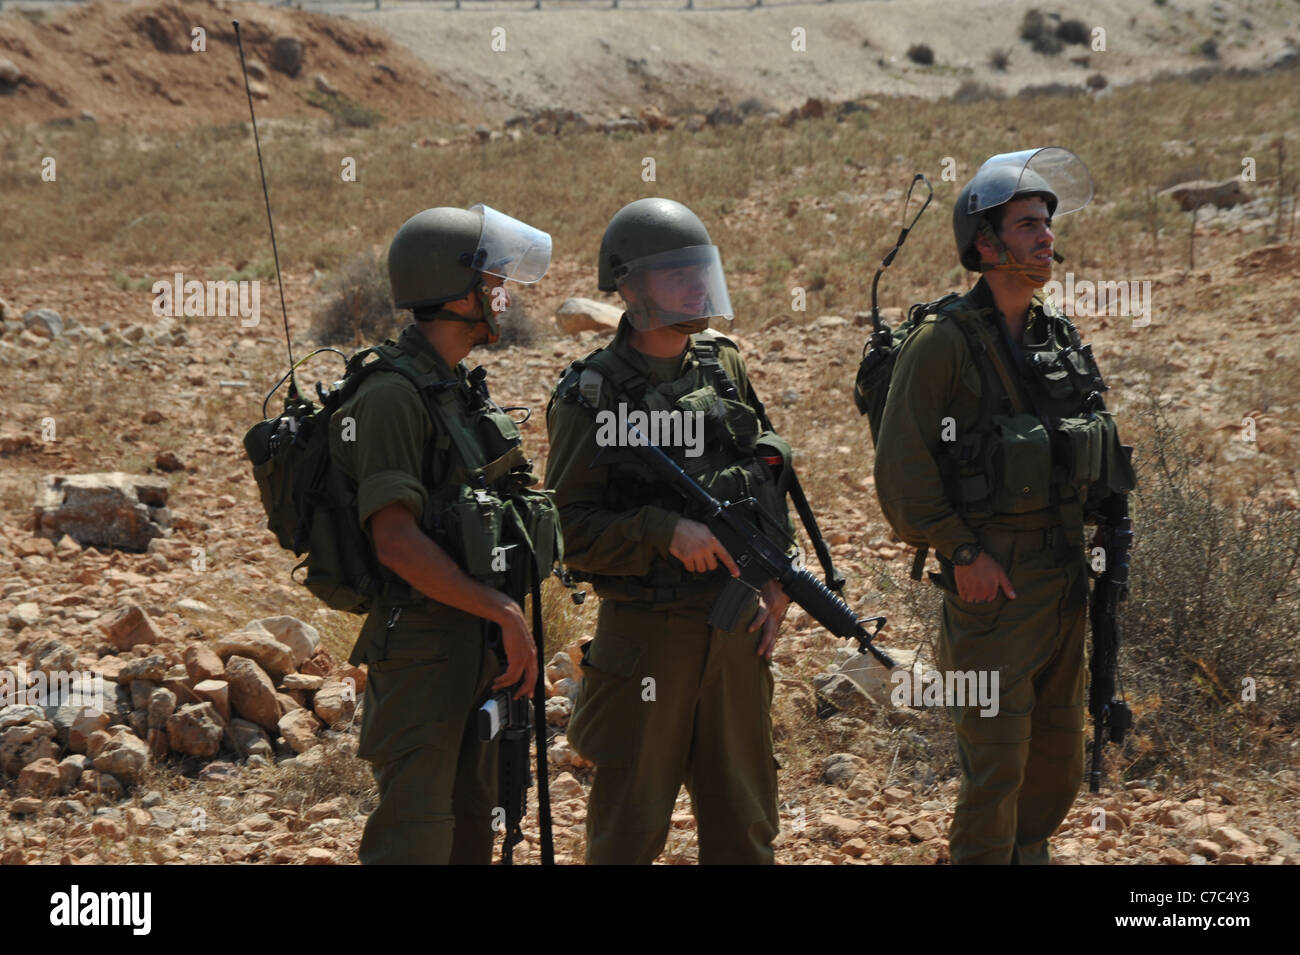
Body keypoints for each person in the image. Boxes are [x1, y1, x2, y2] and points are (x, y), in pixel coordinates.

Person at [873, 147, 1137, 865]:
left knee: (1051, 764)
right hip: (991, 588)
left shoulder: (1057, 335)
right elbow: (901, 471)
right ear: (985, 245)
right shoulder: (942, 343)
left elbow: (1096, 446)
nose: (1045, 237)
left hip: (1062, 581)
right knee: (995, 771)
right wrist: (962, 552)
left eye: (1047, 224)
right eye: (1026, 225)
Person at [545, 197, 795, 864]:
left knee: (745, 822)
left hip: (738, 628)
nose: (697, 288)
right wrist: (664, 530)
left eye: (700, 271)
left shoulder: (721, 365)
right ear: (629, 288)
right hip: (646, 641)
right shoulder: (590, 394)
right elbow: (566, 530)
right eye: (676, 275)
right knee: (629, 831)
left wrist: (777, 581)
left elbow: (765, 474)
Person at [332, 203, 557, 864]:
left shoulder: (453, 388)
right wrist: (502, 610)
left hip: (471, 643)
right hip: (423, 653)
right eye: (491, 281)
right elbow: (395, 540)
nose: (502, 295)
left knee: (470, 836)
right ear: (453, 291)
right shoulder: (391, 397)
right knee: (417, 839)